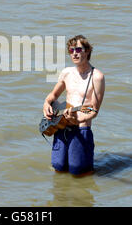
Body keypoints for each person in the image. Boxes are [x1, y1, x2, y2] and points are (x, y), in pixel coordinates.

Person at [42, 35, 105, 176]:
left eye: (78, 49)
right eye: (71, 50)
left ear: (87, 51)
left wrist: (78, 120)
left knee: (79, 173)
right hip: (62, 125)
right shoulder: (66, 73)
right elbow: (52, 96)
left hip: (81, 128)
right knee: (58, 167)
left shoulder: (97, 77)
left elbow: (94, 109)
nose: (75, 53)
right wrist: (46, 104)